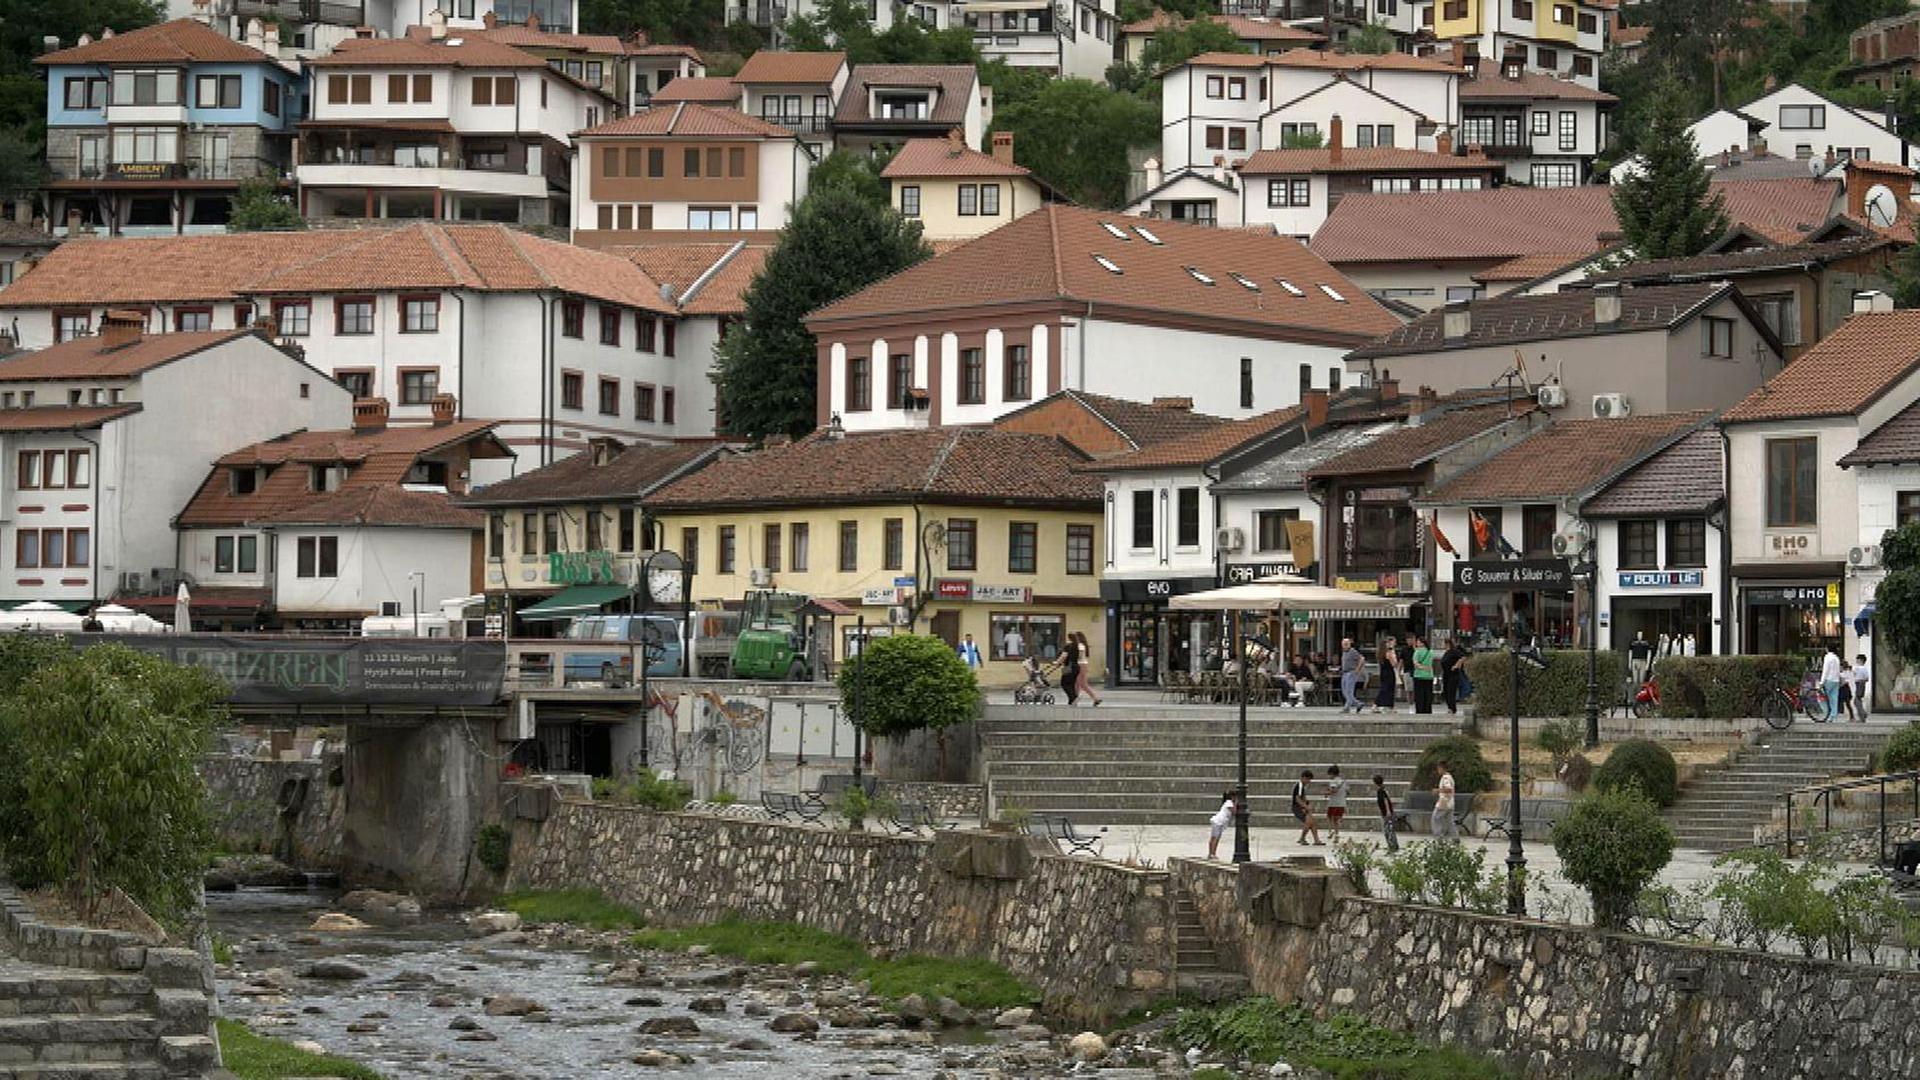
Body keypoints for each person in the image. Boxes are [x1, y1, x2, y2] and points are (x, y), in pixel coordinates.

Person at [1292, 770, 1322, 846]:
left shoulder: (1302, 787)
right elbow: (1297, 798)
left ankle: (1316, 840)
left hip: (1301, 807)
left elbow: (1303, 798)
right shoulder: (1299, 785)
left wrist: (1307, 804)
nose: (1309, 781)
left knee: (1313, 822)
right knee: (1309, 822)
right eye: (1308, 779)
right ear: (1304, 778)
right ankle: (1302, 838)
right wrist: (1306, 807)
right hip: (1297, 808)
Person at [1439, 638, 1469, 715]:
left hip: (1453, 674)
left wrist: (1457, 665)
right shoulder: (1446, 652)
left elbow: (1463, 657)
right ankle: (1449, 707)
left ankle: (1452, 708)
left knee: (1451, 691)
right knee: (1446, 691)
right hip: (1446, 674)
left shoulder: (1454, 651)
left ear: (1448, 644)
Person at [1071, 632, 1102, 706]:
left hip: (1080, 665)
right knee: (1077, 684)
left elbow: (1080, 656)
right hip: (1084, 665)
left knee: (1082, 684)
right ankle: (1075, 700)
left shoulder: (1080, 645)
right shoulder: (1083, 645)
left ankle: (1095, 698)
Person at [1373, 636, 1400, 714]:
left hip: (1383, 672)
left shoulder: (1381, 652)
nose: (1395, 644)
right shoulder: (1389, 652)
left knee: (1384, 688)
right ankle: (1385, 705)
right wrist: (1394, 654)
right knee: (1389, 689)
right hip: (1389, 672)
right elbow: (1394, 663)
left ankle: (1379, 704)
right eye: (1393, 642)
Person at [1410, 635, 1435, 715]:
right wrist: (1427, 668)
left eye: (1418, 642)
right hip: (1429, 675)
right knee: (1428, 694)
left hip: (1419, 675)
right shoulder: (1430, 652)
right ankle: (1428, 709)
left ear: (1421, 643)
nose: (1417, 643)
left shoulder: (1417, 652)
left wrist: (1422, 667)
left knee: (1419, 694)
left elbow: (1415, 664)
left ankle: (1420, 710)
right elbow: (1431, 663)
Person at [1374, 773, 1399, 852]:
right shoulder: (1383, 789)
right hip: (1386, 812)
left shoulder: (1380, 791)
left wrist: (1388, 811)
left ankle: (1392, 846)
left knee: (1388, 830)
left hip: (1387, 813)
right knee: (1389, 830)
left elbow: (1385, 801)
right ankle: (1393, 845)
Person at [1432, 764, 1458, 840]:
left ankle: (1439, 838)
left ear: (1442, 769)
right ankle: (1455, 838)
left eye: (1439, 769)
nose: (1438, 771)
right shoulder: (1449, 777)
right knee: (1449, 822)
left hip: (1444, 803)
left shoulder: (1445, 778)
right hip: (1450, 803)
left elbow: (1448, 789)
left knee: (1435, 819)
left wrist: (1438, 790)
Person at [1339, 638, 1365, 713]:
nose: (1345, 646)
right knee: (1345, 691)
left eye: (1346, 644)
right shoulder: (1344, 652)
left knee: (1349, 691)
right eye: (1343, 644)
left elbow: (1362, 659)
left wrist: (1357, 669)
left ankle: (1347, 707)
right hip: (1345, 672)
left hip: (1351, 672)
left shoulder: (1353, 651)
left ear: (1350, 644)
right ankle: (1358, 704)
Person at [1207, 790, 1235, 860]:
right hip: (1219, 822)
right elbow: (1234, 811)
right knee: (1216, 838)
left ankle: (1211, 853)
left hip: (1217, 821)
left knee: (1213, 837)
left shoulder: (1227, 802)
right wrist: (1236, 803)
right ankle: (1213, 853)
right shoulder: (1229, 803)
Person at [1325, 765, 1348, 841]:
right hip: (1341, 803)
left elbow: (1333, 790)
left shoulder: (1333, 781)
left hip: (1333, 803)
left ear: (1332, 773)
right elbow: (1347, 792)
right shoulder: (1343, 781)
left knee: (1329, 817)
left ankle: (1330, 831)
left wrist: (1326, 793)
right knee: (1336, 820)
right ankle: (1337, 834)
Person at [1820, 644, 1843, 721]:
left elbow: (1825, 670)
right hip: (1836, 680)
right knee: (1834, 698)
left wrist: (1822, 682)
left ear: (1827, 649)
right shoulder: (1836, 658)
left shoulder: (1827, 657)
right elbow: (1838, 670)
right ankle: (1833, 715)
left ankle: (1827, 713)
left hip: (1828, 679)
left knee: (1821, 697)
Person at [1059, 635, 1081, 706]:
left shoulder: (1068, 646)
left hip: (1068, 667)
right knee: (1071, 684)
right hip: (1076, 666)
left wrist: (1058, 662)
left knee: (1064, 683)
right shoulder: (1078, 646)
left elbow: (1063, 656)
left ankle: (1073, 697)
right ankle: (1071, 700)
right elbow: (1080, 657)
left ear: (1069, 638)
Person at [1853, 655, 1871, 722]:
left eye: (1857, 660)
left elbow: (1854, 673)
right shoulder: (1864, 668)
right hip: (1861, 684)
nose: (1856, 661)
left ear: (1861, 660)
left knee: (1857, 700)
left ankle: (1862, 715)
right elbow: (1867, 678)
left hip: (1859, 683)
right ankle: (1862, 714)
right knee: (1857, 700)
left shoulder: (1859, 668)